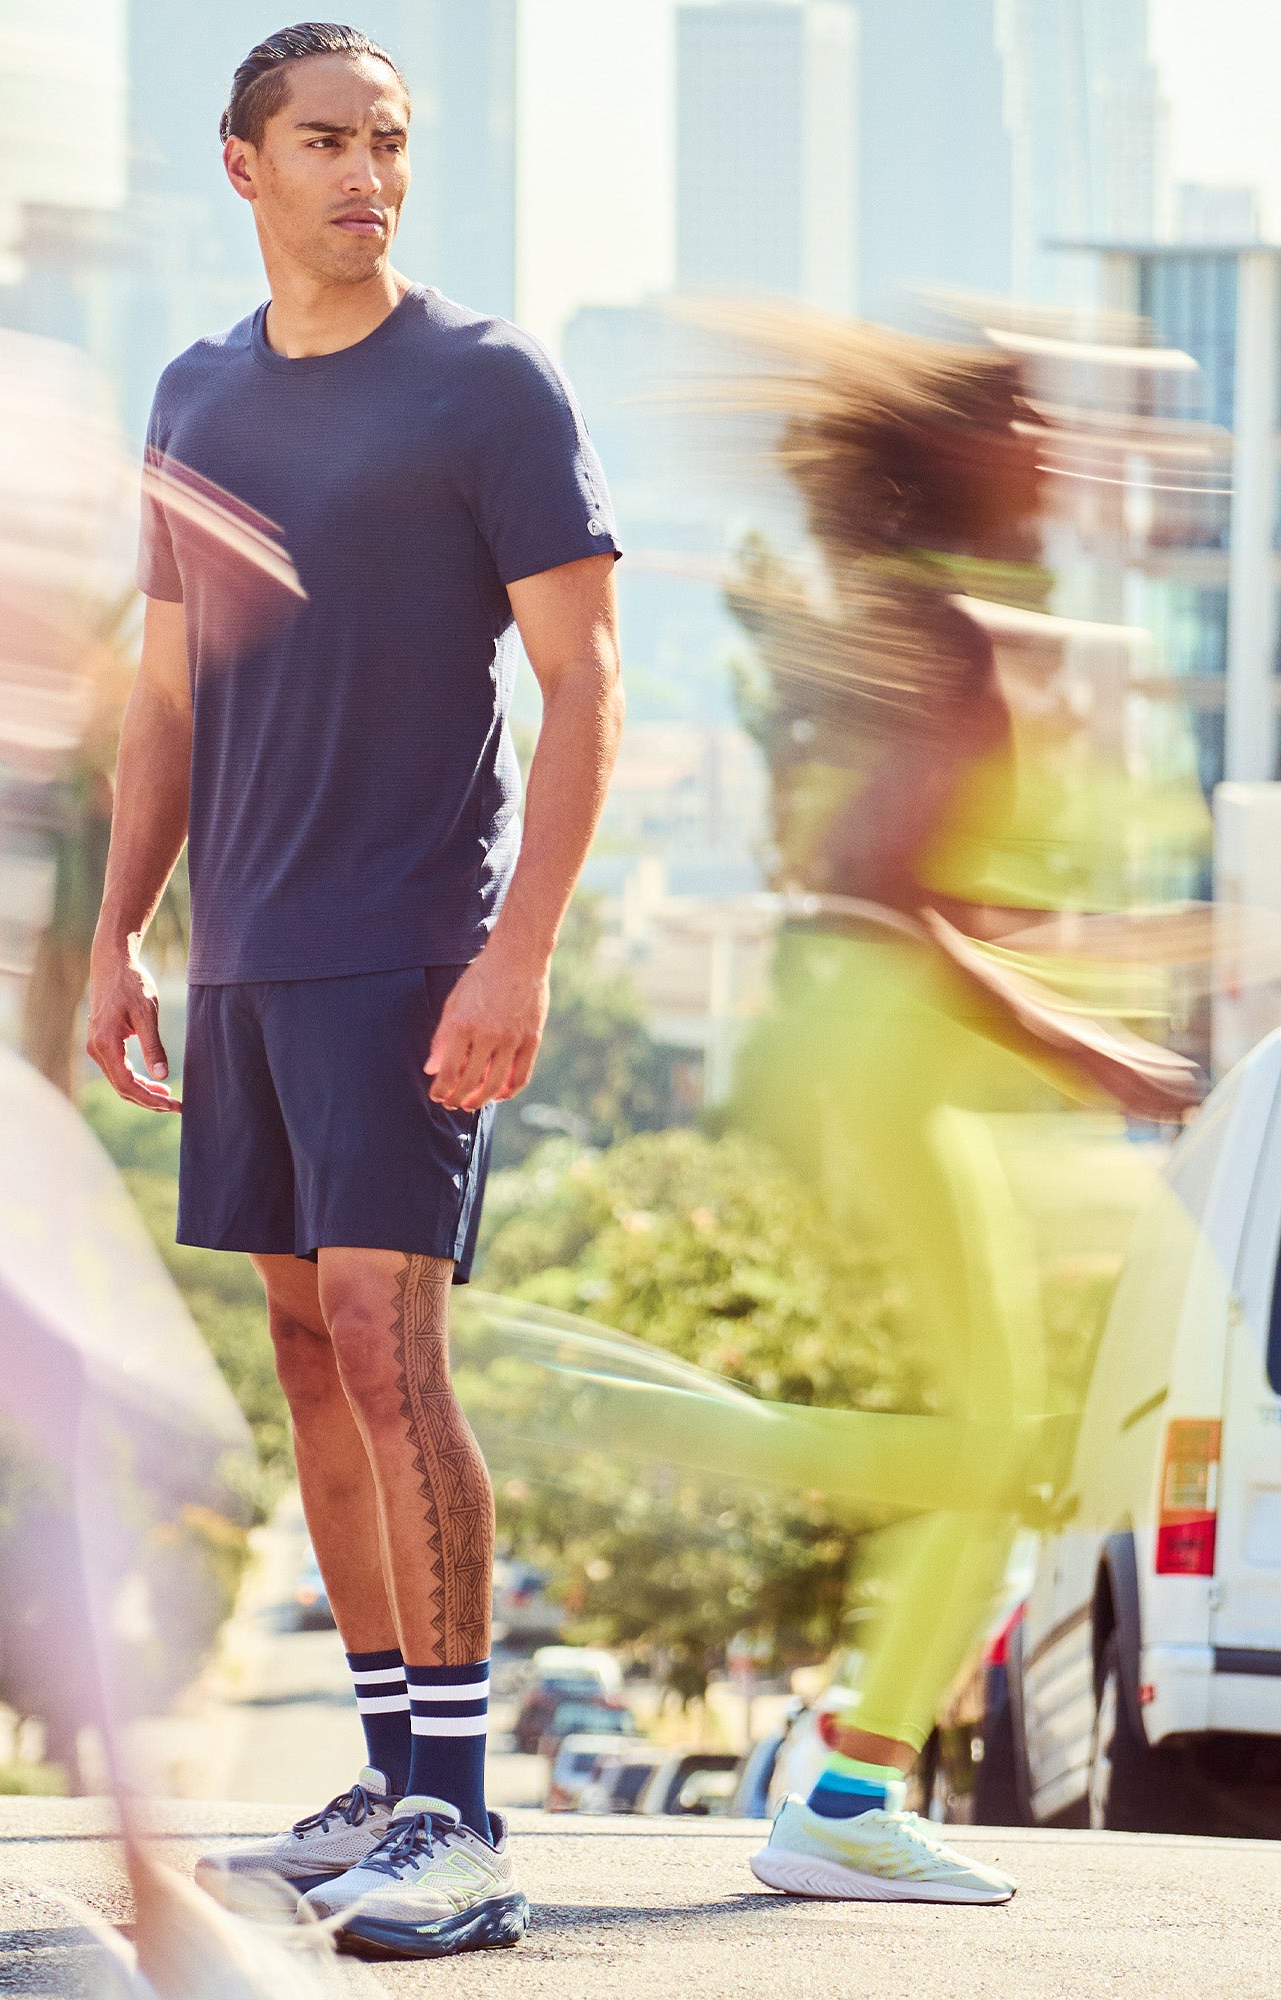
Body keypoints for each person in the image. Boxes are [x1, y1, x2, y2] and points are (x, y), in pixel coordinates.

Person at [85, 19, 622, 1961]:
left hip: (408, 946)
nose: (363, 175)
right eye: (324, 141)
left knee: (396, 1358)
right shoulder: (194, 394)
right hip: (245, 951)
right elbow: (162, 696)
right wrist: (116, 934)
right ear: (242, 163)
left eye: (387, 143)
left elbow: (585, 688)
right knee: (309, 1356)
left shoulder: (485, 387)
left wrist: (519, 949)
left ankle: (466, 1828)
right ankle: (393, 1767)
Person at [720, 318, 1200, 1902]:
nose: (1052, 448)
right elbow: (883, 901)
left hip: (890, 1039)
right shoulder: (944, 636)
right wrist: (1096, 1055)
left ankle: (850, 1780)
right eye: (1024, 421)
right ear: (961, 453)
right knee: (993, 1441)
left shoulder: (951, 622)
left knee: (996, 1436)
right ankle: (846, 1792)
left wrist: (1126, 976)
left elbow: (943, 907)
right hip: (883, 1042)